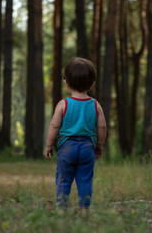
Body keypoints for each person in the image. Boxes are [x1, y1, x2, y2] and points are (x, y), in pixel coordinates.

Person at [44, 57, 107, 211]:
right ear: (92, 84)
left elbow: (54, 125)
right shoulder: (95, 104)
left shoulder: (63, 104)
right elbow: (102, 126)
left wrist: (48, 145)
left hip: (67, 148)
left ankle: (61, 209)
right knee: (85, 180)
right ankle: (84, 210)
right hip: (87, 148)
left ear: (66, 82)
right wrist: (99, 145)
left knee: (63, 180)